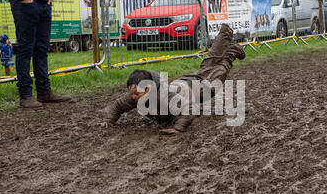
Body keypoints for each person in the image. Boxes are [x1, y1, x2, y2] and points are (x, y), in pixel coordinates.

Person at [102, 24, 246, 134]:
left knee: (217, 74)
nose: (133, 97)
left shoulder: (164, 96)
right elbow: (117, 106)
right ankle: (228, 41)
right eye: (132, 93)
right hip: (183, 84)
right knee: (208, 67)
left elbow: (190, 109)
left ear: (148, 88)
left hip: (197, 89)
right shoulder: (137, 95)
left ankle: (230, 50)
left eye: (136, 94)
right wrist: (109, 121)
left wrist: (178, 128)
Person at [8, 0, 71, 108]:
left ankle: (44, 92)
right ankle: (25, 95)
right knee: (25, 49)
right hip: (25, 2)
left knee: (42, 48)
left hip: (44, 2)